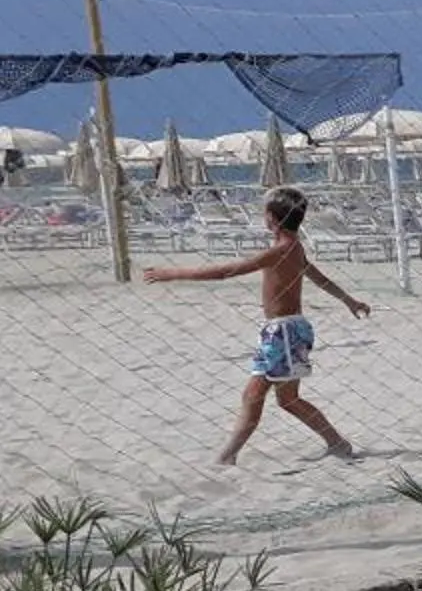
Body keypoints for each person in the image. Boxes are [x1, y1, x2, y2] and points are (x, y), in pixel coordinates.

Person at [141, 185, 367, 466]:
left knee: (253, 394)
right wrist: (349, 300)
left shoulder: (281, 250)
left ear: (271, 218)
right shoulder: (294, 248)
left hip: (283, 332)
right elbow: (318, 277)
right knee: (288, 399)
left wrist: (173, 273)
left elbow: (226, 272)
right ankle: (337, 443)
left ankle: (227, 457)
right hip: (289, 330)